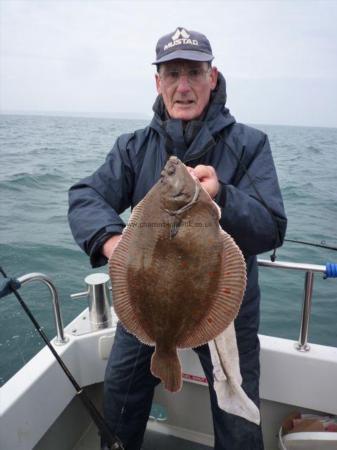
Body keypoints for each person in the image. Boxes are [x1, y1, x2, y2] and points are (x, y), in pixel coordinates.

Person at [68, 27, 287, 450]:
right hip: (145, 302)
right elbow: (86, 196)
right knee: (120, 398)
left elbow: (272, 226)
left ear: (213, 77)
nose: (182, 86)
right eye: (172, 74)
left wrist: (223, 194)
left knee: (237, 417)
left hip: (223, 310)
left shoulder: (250, 145)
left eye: (193, 72)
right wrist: (117, 250)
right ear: (157, 82)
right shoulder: (133, 148)